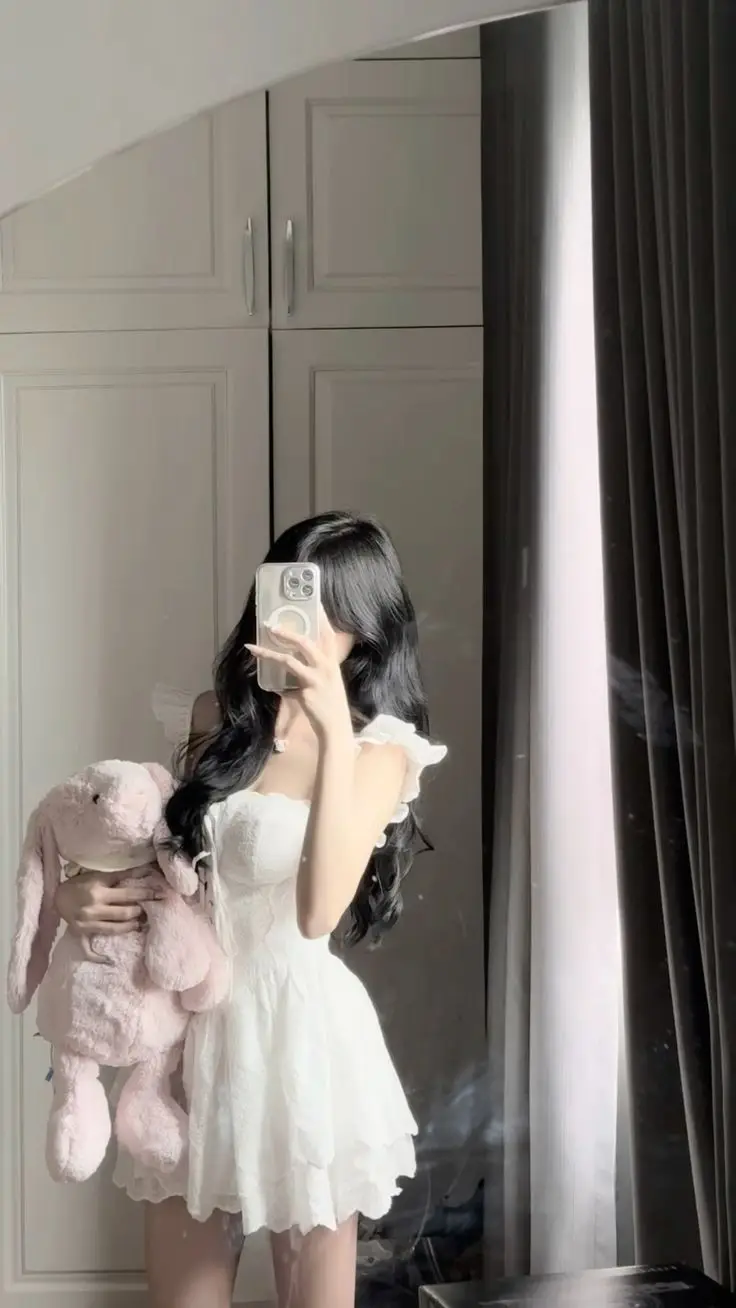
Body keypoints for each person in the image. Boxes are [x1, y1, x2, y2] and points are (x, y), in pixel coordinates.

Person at [55, 511, 446, 1308]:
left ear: (365, 629)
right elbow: (165, 867)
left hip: (301, 1039)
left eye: (326, 609)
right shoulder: (216, 719)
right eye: (288, 595)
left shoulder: (380, 751)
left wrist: (331, 733)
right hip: (192, 1034)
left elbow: (317, 912)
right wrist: (74, 895)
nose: (300, 625)